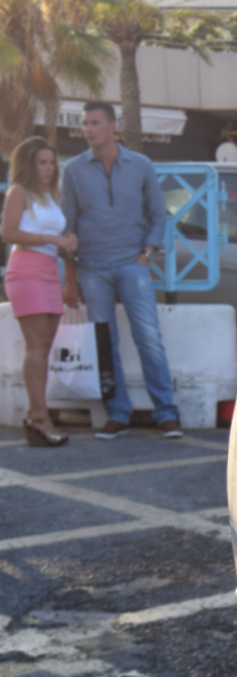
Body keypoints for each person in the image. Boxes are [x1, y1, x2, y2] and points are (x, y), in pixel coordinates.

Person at [62, 100, 182, 439]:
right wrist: (70, 278)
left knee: (149, 338)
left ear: (113, 127)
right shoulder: (72, 170)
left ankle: (166, 412)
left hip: (133, 263)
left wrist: (147, 252)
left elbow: (158, 214)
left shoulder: (141, 164)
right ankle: (117, 412)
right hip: (91, 268)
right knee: (105, 342)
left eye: (94, 123)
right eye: (85, 123)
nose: (88, 129)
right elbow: (67, 228)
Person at [1, 137, 78, 447]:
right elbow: (7, 232)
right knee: (37, 345)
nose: (48, 169)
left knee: (45, 346)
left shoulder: (49, 195)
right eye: (41, 162)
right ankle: (39, 416)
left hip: (48, 270)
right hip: (26, 269)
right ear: (28, 165)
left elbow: (55, 239)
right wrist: (54, 239)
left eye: (51, 162)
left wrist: (66, 241)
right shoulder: (19, 192)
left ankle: (37, 415)